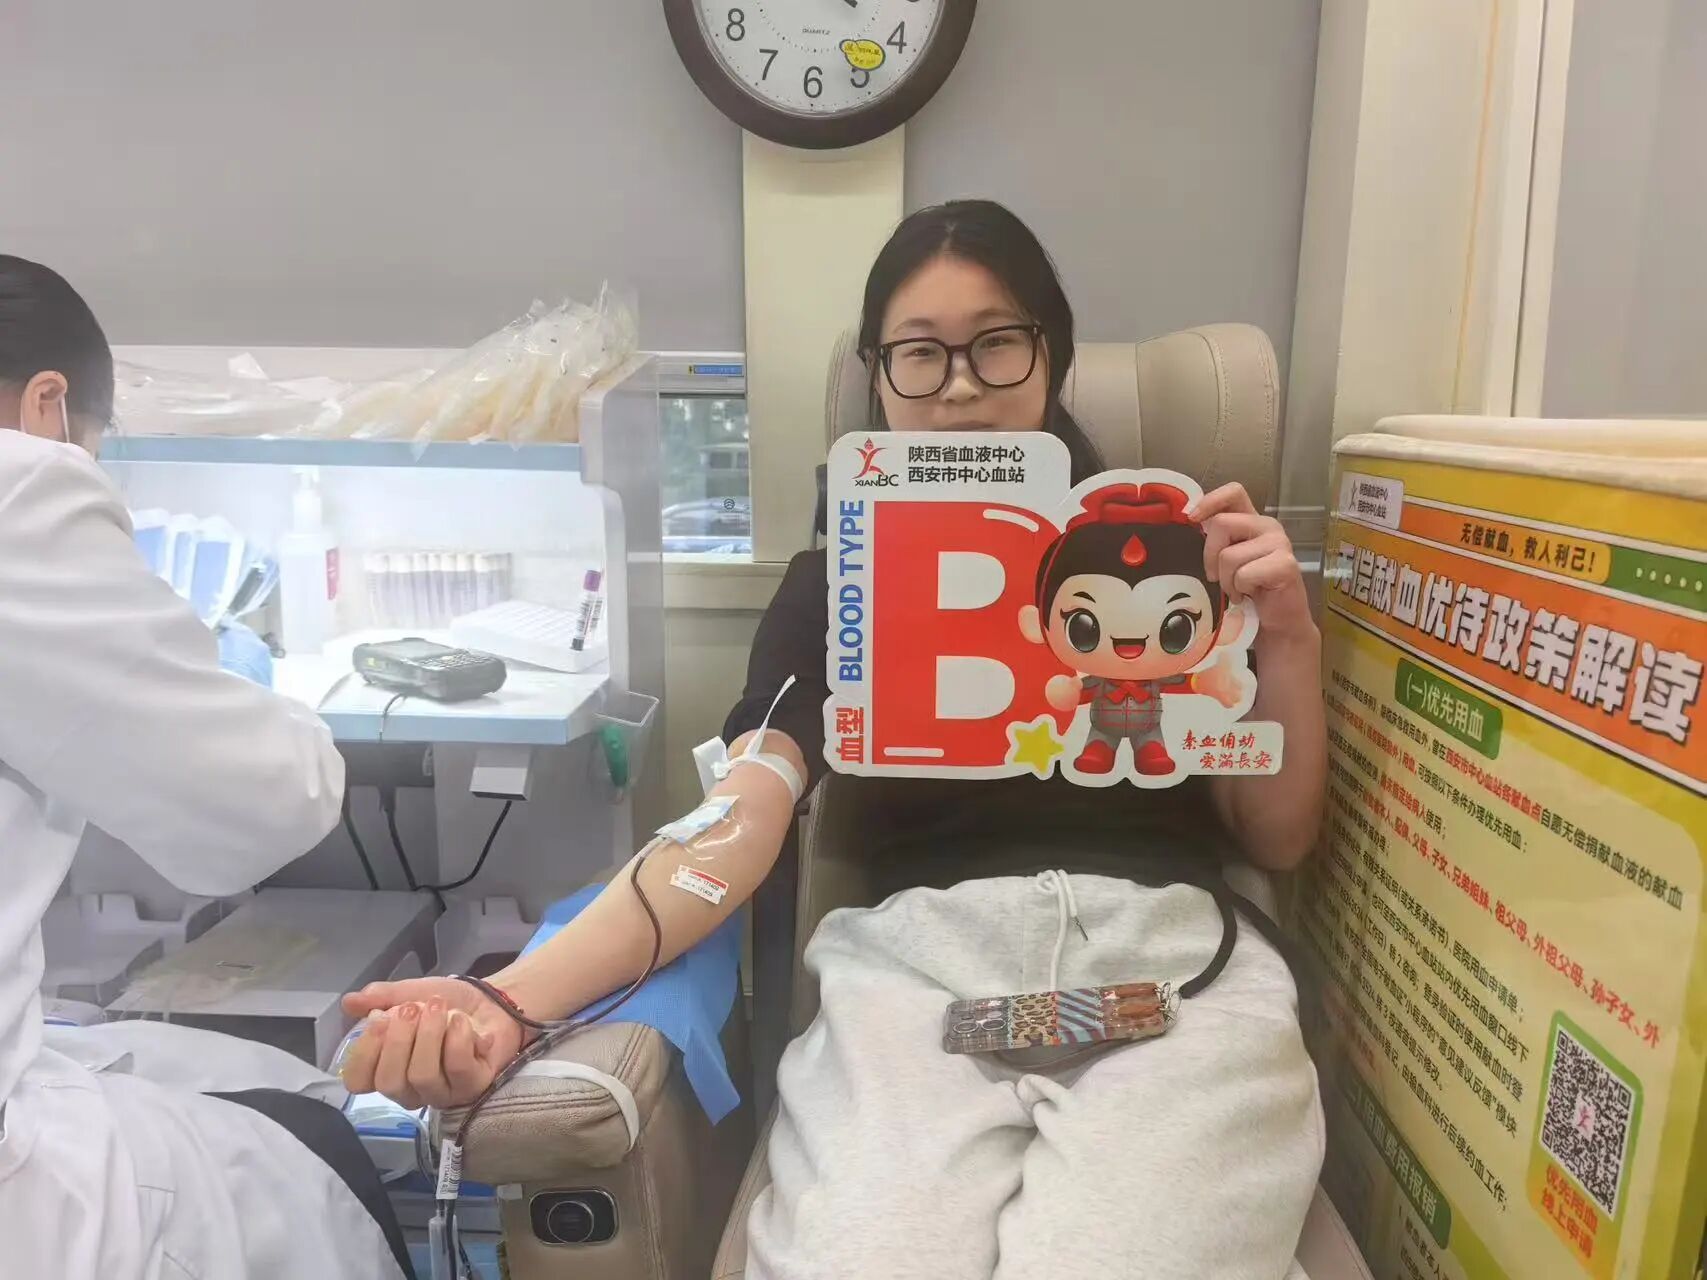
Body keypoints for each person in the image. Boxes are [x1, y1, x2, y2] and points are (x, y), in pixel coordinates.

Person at [342, 200, 1327, 1279]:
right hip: (918, 979)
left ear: (1053, 354)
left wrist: (1285, 634)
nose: (958, 385)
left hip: (1168, 963)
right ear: (878, 377)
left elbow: (1275, 836)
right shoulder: (835, 587)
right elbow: (737, 819)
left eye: (997, 342)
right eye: (920, 352)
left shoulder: (1174, 555)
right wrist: (510, 998)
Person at [0, 256, 412, 1280]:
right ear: (48, 405)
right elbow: (259, 808)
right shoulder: (22, 487)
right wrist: (239, 678)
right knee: (315, 1139)